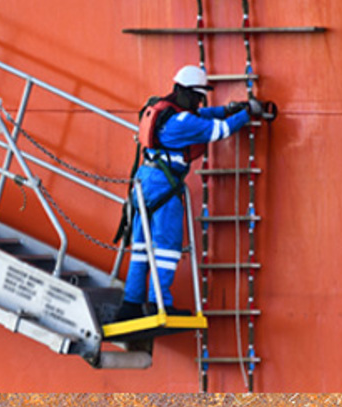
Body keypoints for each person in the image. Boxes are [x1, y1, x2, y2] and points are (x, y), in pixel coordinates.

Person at [115, 64, 275, 322]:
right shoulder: (183, 121)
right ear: (186, 92)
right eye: (198, 96)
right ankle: (160, 305)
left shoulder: (161, 109)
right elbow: (218, 130)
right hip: (164, 187)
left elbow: (200, 115)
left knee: (142, 247)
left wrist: (226, 110)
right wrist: (246, 114)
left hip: (143, 183)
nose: (199, 101)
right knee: (166, 248)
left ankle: (131, 304)